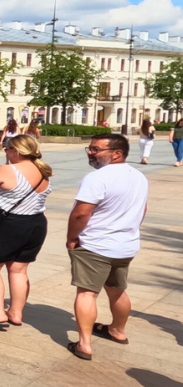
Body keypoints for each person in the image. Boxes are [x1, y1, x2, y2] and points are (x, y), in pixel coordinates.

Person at [65, 133, 149, 360]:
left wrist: (72, 238)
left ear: (117, 153)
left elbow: (81, 213)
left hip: (95, 245)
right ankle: (118, 331)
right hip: (125, 245)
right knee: (117, 290)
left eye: (96, 149)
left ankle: (84, 344)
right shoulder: (139, 177)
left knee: (87, 293)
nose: (90, 153)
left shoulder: (97, 178)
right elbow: (142, 210)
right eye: (89, 148)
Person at [0, 134, 52, 330]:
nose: (6, 152)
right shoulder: (43, 171)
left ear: (16, 151)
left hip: (9, 223)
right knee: (18, 269)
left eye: (7, 149)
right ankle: (16, 312)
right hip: (36, 223)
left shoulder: (7, 170)